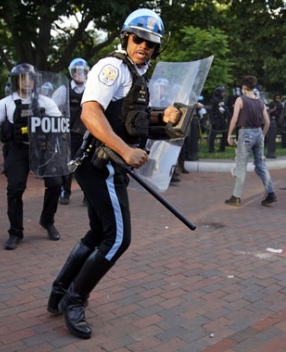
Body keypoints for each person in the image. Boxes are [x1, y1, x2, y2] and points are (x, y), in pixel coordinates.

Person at [47, 9, 181, 340]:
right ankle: (74, 301)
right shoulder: (112, 68)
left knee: (98, 232)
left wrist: (161, 116)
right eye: (139, 39)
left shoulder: (137, 74)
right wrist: (125, 150)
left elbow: (128, 118)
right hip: (102, 163)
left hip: (109, 164)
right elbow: (90, 113)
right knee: (118, 239)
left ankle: (60, 291)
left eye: (151, 44)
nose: (145, 47)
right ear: (126, 38)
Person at [0, 63, 63, 250]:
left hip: (42, 149)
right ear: (16, 81)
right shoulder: (6, 103)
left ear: (35, 81)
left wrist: (55, 141)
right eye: (23, 78)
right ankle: (15, 232)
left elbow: (59, 124)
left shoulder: (45, 102)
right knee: (15, 189)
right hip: (18, 150)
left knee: (56, 184)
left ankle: (47, 221)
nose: (27, 82)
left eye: (30, 78)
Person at [224, 75, 276, 207]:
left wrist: (229, 135)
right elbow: (268, 122)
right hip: (258, 132)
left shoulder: (240, 100)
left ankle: (236, 196)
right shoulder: (260, 101)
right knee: (261, 164)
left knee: (241, 165)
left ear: (243, 87)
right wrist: (262, 135)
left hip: (245, 133)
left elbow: (234, 119)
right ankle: (270, 192)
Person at [53, 58, 90, 205]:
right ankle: (65, 192)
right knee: (68, 164)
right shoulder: (64, 90)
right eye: (77, 71)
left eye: (82, 72)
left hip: (86, 133)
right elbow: (52, 108)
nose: (79, 74)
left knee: (85, 164)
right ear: (72, 73)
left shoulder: (90, 89)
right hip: (67, 132)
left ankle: (87, 195)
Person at [208, 85, 229, 153]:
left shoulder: (223, 100)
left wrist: (228, 117)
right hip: (216, 119)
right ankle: (211, 149)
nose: (224, 93)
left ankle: (222, 148)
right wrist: (212, 120)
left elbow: (225, 109)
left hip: (223, 119)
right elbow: (210, 111)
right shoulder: (213, 100)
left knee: (225, 133)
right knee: (213, 134)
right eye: (222, 92)